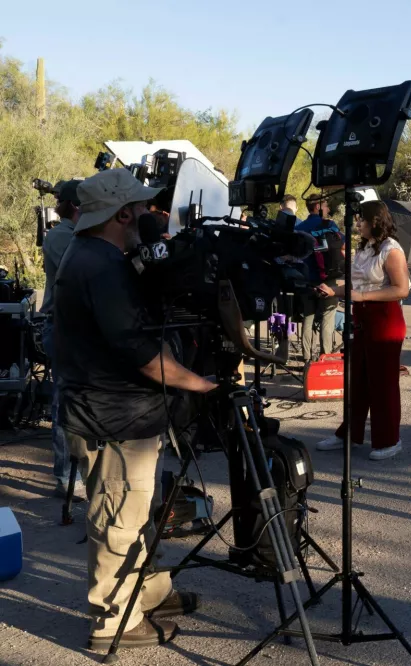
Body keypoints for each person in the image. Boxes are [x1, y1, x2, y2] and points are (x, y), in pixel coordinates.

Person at [52, 169, 217, 650]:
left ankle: (147, 593)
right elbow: (140, 353)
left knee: (135, 513)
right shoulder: (101, 266)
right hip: (113, 419)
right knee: (117, 521)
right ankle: (113, 622)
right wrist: (197, 383)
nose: (149, 214)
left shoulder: (98, 256)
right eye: (142, 208)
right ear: (122, 213)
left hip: (121, 415)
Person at [315, 201, 409, 460]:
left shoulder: (392, 250)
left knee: (383, 382)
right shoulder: (365, 247)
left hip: (385, 319)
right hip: (362, 317)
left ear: (375, 221)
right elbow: (355, 287)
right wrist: (333, 291)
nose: (357, 224)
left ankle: (390, 439)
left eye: (361, 220)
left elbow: (402, 289)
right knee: (356, 380)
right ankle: (350, 433)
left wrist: (362, 295)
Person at [39, 178, 83, 500]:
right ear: (76, 206)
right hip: (61, 327)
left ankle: (78, 471)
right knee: (63, 400)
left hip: (77, 328)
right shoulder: (58, 236)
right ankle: (65, 474)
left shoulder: (80, 235)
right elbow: (76, 268)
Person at [295, 195, 344, 360]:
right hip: (327, 279)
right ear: (317, 206)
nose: (328, 209)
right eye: (325, 205)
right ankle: (325, 358)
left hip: (306, 279)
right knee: (327, 318)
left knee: (307, 319)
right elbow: (342, 244)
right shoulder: (329, 225)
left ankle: (307, 359)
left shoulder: (299, 228)